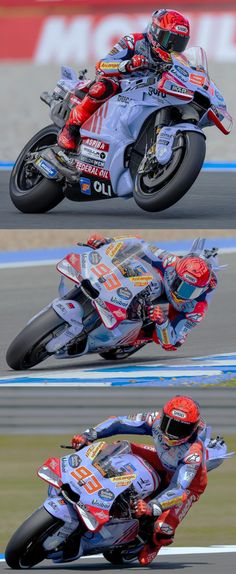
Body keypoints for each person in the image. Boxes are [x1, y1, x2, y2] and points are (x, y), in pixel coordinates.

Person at [71, 395, 212, 565]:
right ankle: (93, 479)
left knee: (163, 529)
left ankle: (154, 543)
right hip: (162, 460)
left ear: (193, 429)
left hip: (188, 485)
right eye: (169, 424)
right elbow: (119, 422)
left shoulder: (193, 453)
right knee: (120, 446)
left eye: (181, 429)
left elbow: (178, 488)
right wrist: (90, 434)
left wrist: (152, 507)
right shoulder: (155, 419)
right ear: (163, 416)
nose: (172, 432)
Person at [58, 8, 190, 153]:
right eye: (169, 40)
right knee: (105, 86)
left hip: (146, 96)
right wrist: (128, 65)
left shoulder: (177, 61)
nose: (173, 47)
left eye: (179, 43)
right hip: (119, 89)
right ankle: (71, 129)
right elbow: (101, 66)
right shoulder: (134, 41)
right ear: (155, 31)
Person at [85, 233, 218, 352]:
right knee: (139, 269)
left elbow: (170, 343)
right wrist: (107, 241)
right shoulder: (169, 262)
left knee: (174, 342)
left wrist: (162, 321)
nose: (184, 294)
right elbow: (138, 243)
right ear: (175, 275)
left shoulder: (197, 308)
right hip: (161, 282)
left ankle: (135, 331)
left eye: (192, 291)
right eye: (182, 287)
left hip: (177, 311)